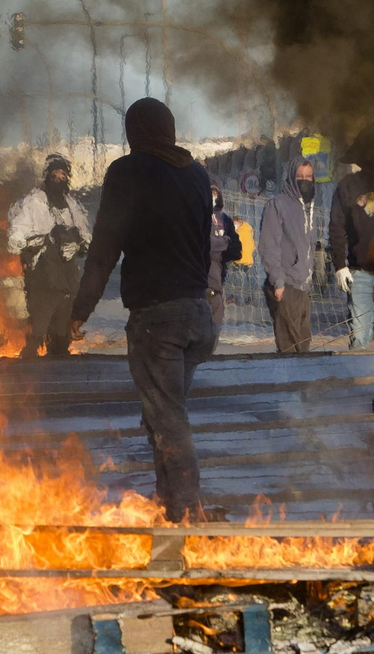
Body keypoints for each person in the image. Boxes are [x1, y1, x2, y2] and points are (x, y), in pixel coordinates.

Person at [71, 98, 215, 522]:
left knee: (168, 418)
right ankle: (168, 502)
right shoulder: (197, 174)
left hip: (159, 318)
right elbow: (204, 248)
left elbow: (103, 250)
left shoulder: (128, 171)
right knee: (162, 414)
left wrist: (80, 310)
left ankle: (188, 509)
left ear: (136, 132)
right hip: (198, 314)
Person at [6, 154, 91, 357]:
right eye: (55, 174)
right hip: (42, 278)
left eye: (63, 174)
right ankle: (27, 376)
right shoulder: (32, 203)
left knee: (62, 336)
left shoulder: (72, 205)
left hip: (68, 280)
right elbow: (14, 239)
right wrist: (37, 242)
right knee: (37, 331)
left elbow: (87, 236)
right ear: (47, 176)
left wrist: (78, 246)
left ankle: (59, 369)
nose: (59, 178)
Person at [259, 159, 317, 353]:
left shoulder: (309, 208)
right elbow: (269, 246)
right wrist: (278, 282)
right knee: (289, 349)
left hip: (303, 285)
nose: (304, 180)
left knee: (304, 345)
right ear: (292, 178)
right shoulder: (277, 205)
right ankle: (288, 384)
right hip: (285, 286)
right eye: (300, 176)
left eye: (308, 176)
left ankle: (304, 384)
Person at [329, 169, 374, 349]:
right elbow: (337, 227)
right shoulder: (348, 185)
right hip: (361, 273)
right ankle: (357, 375)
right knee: (359, 337)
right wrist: (339, 266)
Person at [206, 179, 243, 330]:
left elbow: (237, 249)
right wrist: (223, 243)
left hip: (218, 282)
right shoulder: (196, 216)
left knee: (215, 326)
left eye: (215, 193)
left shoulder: (225, 219)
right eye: (210, 194)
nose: (213, 197)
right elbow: (202, 245)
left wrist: (221, 250)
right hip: (200, 282)